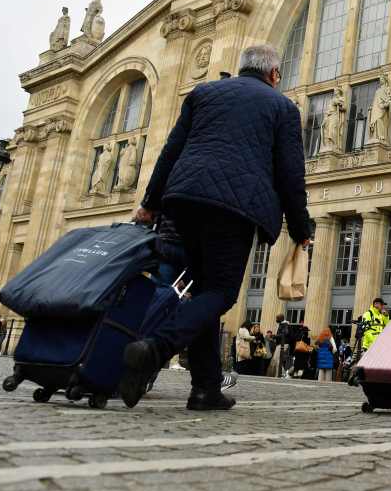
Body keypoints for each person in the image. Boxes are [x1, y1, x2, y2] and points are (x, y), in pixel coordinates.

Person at [122, 44, 312, 411]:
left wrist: (150, 203)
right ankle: (154, 348)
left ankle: (205, 387)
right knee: (222, 293)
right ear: (274, 75)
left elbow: (170, 151)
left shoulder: (203, 93)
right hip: (234, 208)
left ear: (242, 69)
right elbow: (291, 175)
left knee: (204, 294)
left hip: (183, 201)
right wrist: (301, 226)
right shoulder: (282, 108)